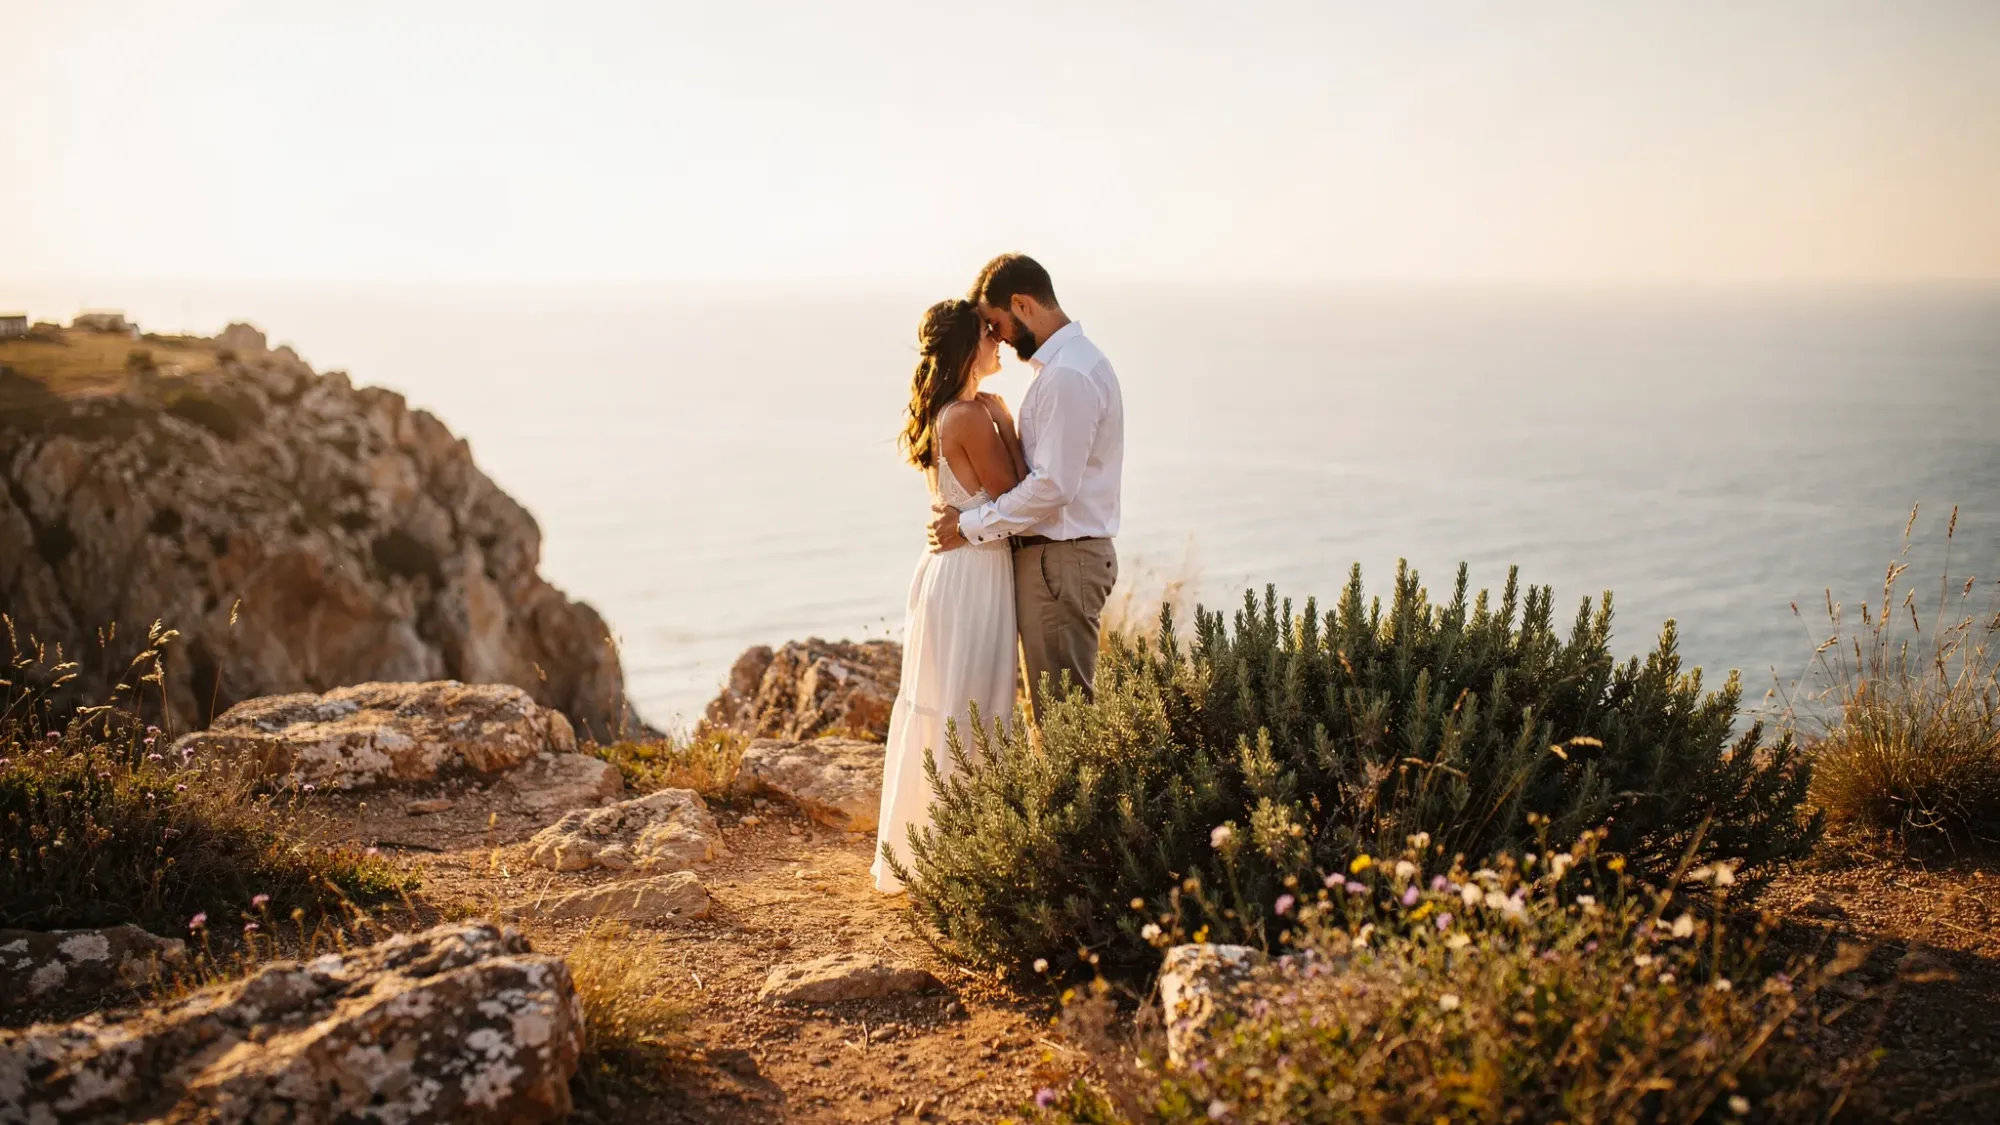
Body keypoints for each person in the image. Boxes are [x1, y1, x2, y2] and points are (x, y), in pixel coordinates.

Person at [872, 298, 1027, 894]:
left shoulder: (950, 410)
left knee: (953, 702)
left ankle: (935, 852)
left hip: (952, 570)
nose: (998, 341)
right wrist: (1007, 423)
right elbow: (1017, 495)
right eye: (988, 333)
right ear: (967, 349)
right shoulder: (970, 416)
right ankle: (958, 859)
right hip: (972, 575)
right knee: (972, 706)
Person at [929, 253, 1125, 720]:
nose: (996, 336)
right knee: (1056, 713)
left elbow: (1053, 487)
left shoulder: (1067, 375)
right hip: (1055, 562)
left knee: (1064, 720)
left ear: (1022, 304)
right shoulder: (1063, 368)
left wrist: (969, 525)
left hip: (1061, 561)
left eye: (996, 323)